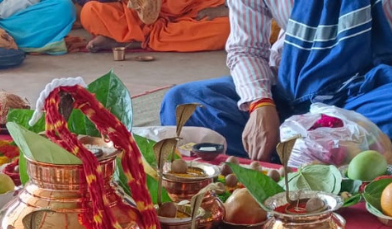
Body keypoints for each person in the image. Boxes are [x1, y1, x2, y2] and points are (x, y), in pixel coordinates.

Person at [160, 0, 392, 161]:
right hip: (289, 89)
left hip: (365, 92)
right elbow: (246, 48)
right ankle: (324, 155)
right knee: (182, 104)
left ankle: (297, 154)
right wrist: (260, 105)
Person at [81, 0, 229, 53]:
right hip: (143, 14)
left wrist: (226, 8)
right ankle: (148, 38)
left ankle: (133, 42)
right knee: (90, 12)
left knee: (227, 28)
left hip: (197, 10)